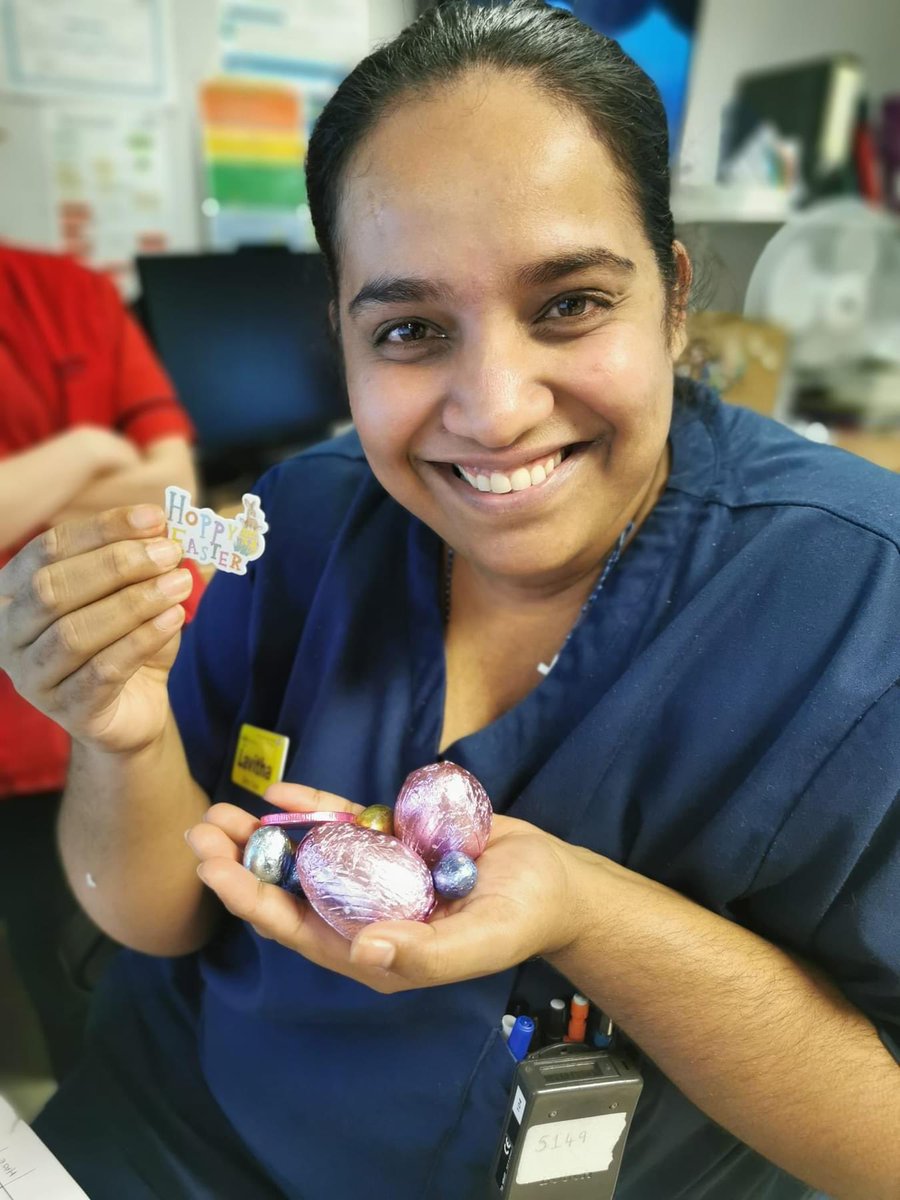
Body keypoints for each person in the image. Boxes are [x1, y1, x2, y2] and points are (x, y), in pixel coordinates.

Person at [0, 3, 898, 1196]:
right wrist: (118, 733)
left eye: (570, 303)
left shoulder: (854, 602)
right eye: (412, 328)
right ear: (343, 338)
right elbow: (153, 915)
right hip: (177, 1140)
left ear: (675, 300)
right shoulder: (304, 525)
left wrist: (586, 910)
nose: (492, 407)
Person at [0, 241, 202, 1077]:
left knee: (125, 984)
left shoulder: (70, 292)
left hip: (109, 707)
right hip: (39, 735)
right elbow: (143, 484)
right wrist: (87, 452)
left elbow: (175, 481)